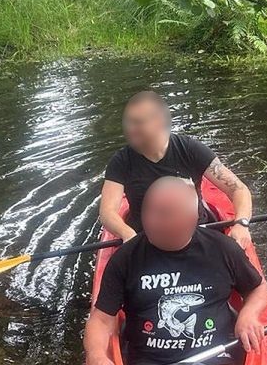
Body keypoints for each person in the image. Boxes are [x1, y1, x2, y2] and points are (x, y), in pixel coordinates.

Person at [85, 176, 267, 365]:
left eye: (164, 214)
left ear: (191, 218)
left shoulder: (223, 248)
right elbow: (101, 320)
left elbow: (258, 288)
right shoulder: (125, 258)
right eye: (149, 211)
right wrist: (96, 354)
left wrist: (249, 314)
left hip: (214, 358)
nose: (151, 221)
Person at [100, 90, 254, 249]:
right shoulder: (121, 161)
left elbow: (238, 189)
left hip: (196, 232)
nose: (130, 130)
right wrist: (127, 234)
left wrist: (241, 223)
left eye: (138, 123)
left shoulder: (190, 149)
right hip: (146, 239)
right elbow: (107, 212)